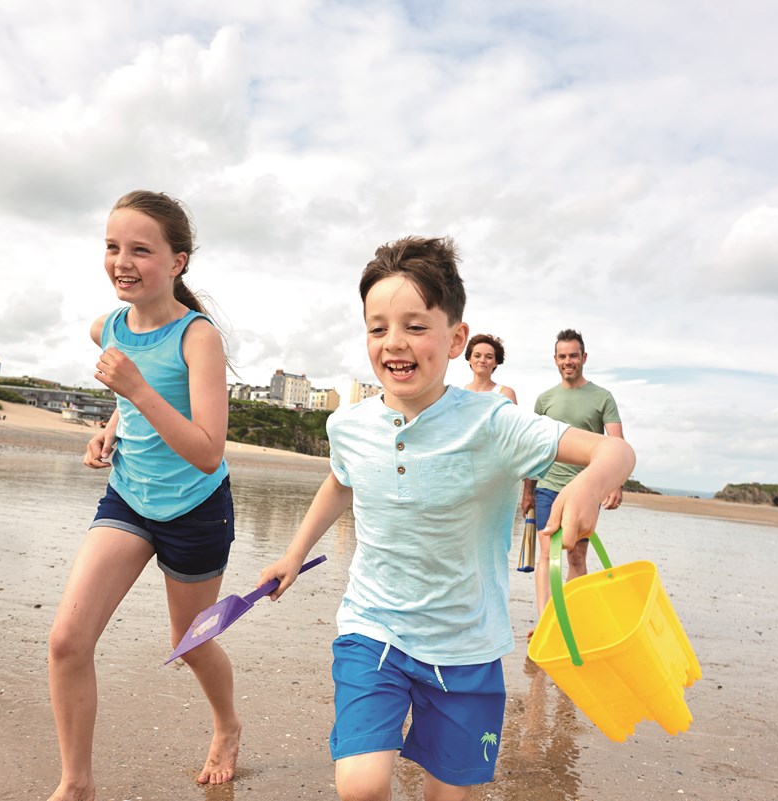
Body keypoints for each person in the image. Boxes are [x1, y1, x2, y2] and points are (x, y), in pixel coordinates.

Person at [258, 237, 635, 801]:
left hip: (466, 647)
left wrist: (587, 484)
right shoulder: (350, 425)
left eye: (415, 326)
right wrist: (293, 553)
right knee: (360, 785)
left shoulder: (494, 423)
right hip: (373, 629)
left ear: (457, 338)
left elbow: (616, 454)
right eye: (377, 327)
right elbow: (341, 480)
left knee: (450, 795)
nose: (394, 343)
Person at [46, 190, 240, 801]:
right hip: (129, 496)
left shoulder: (198, 337)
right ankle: (76, 784)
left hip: (196, 508)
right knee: (67, 641)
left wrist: (131, 385)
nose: (122, 261)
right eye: (112, 247)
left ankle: (227, 724)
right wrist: (107, 429)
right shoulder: (106, 326)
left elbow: (208, 448)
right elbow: (131, 401)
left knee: (189, 643)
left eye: (140, 250)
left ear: (178, 261)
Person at [521, 329, 626, 622]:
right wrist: (527, 491)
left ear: (584, 358)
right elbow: (534, 448)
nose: (569, 361)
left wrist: (615, 483)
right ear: (555, 360)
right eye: (563, 356)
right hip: (548, 486)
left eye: (574, 356)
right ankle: (547, 621)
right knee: (547, 553)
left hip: (585, 492)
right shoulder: (544, 400)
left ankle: (574, 618)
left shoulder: (602, 397)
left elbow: (616, 444)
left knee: (576, 556)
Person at [463, 333, 518, 403]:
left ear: (496, 362)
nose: (482, 360)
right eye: (477, 356)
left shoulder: (505, 394)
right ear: (469, 359)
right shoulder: (461, 393)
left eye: (489, 357)